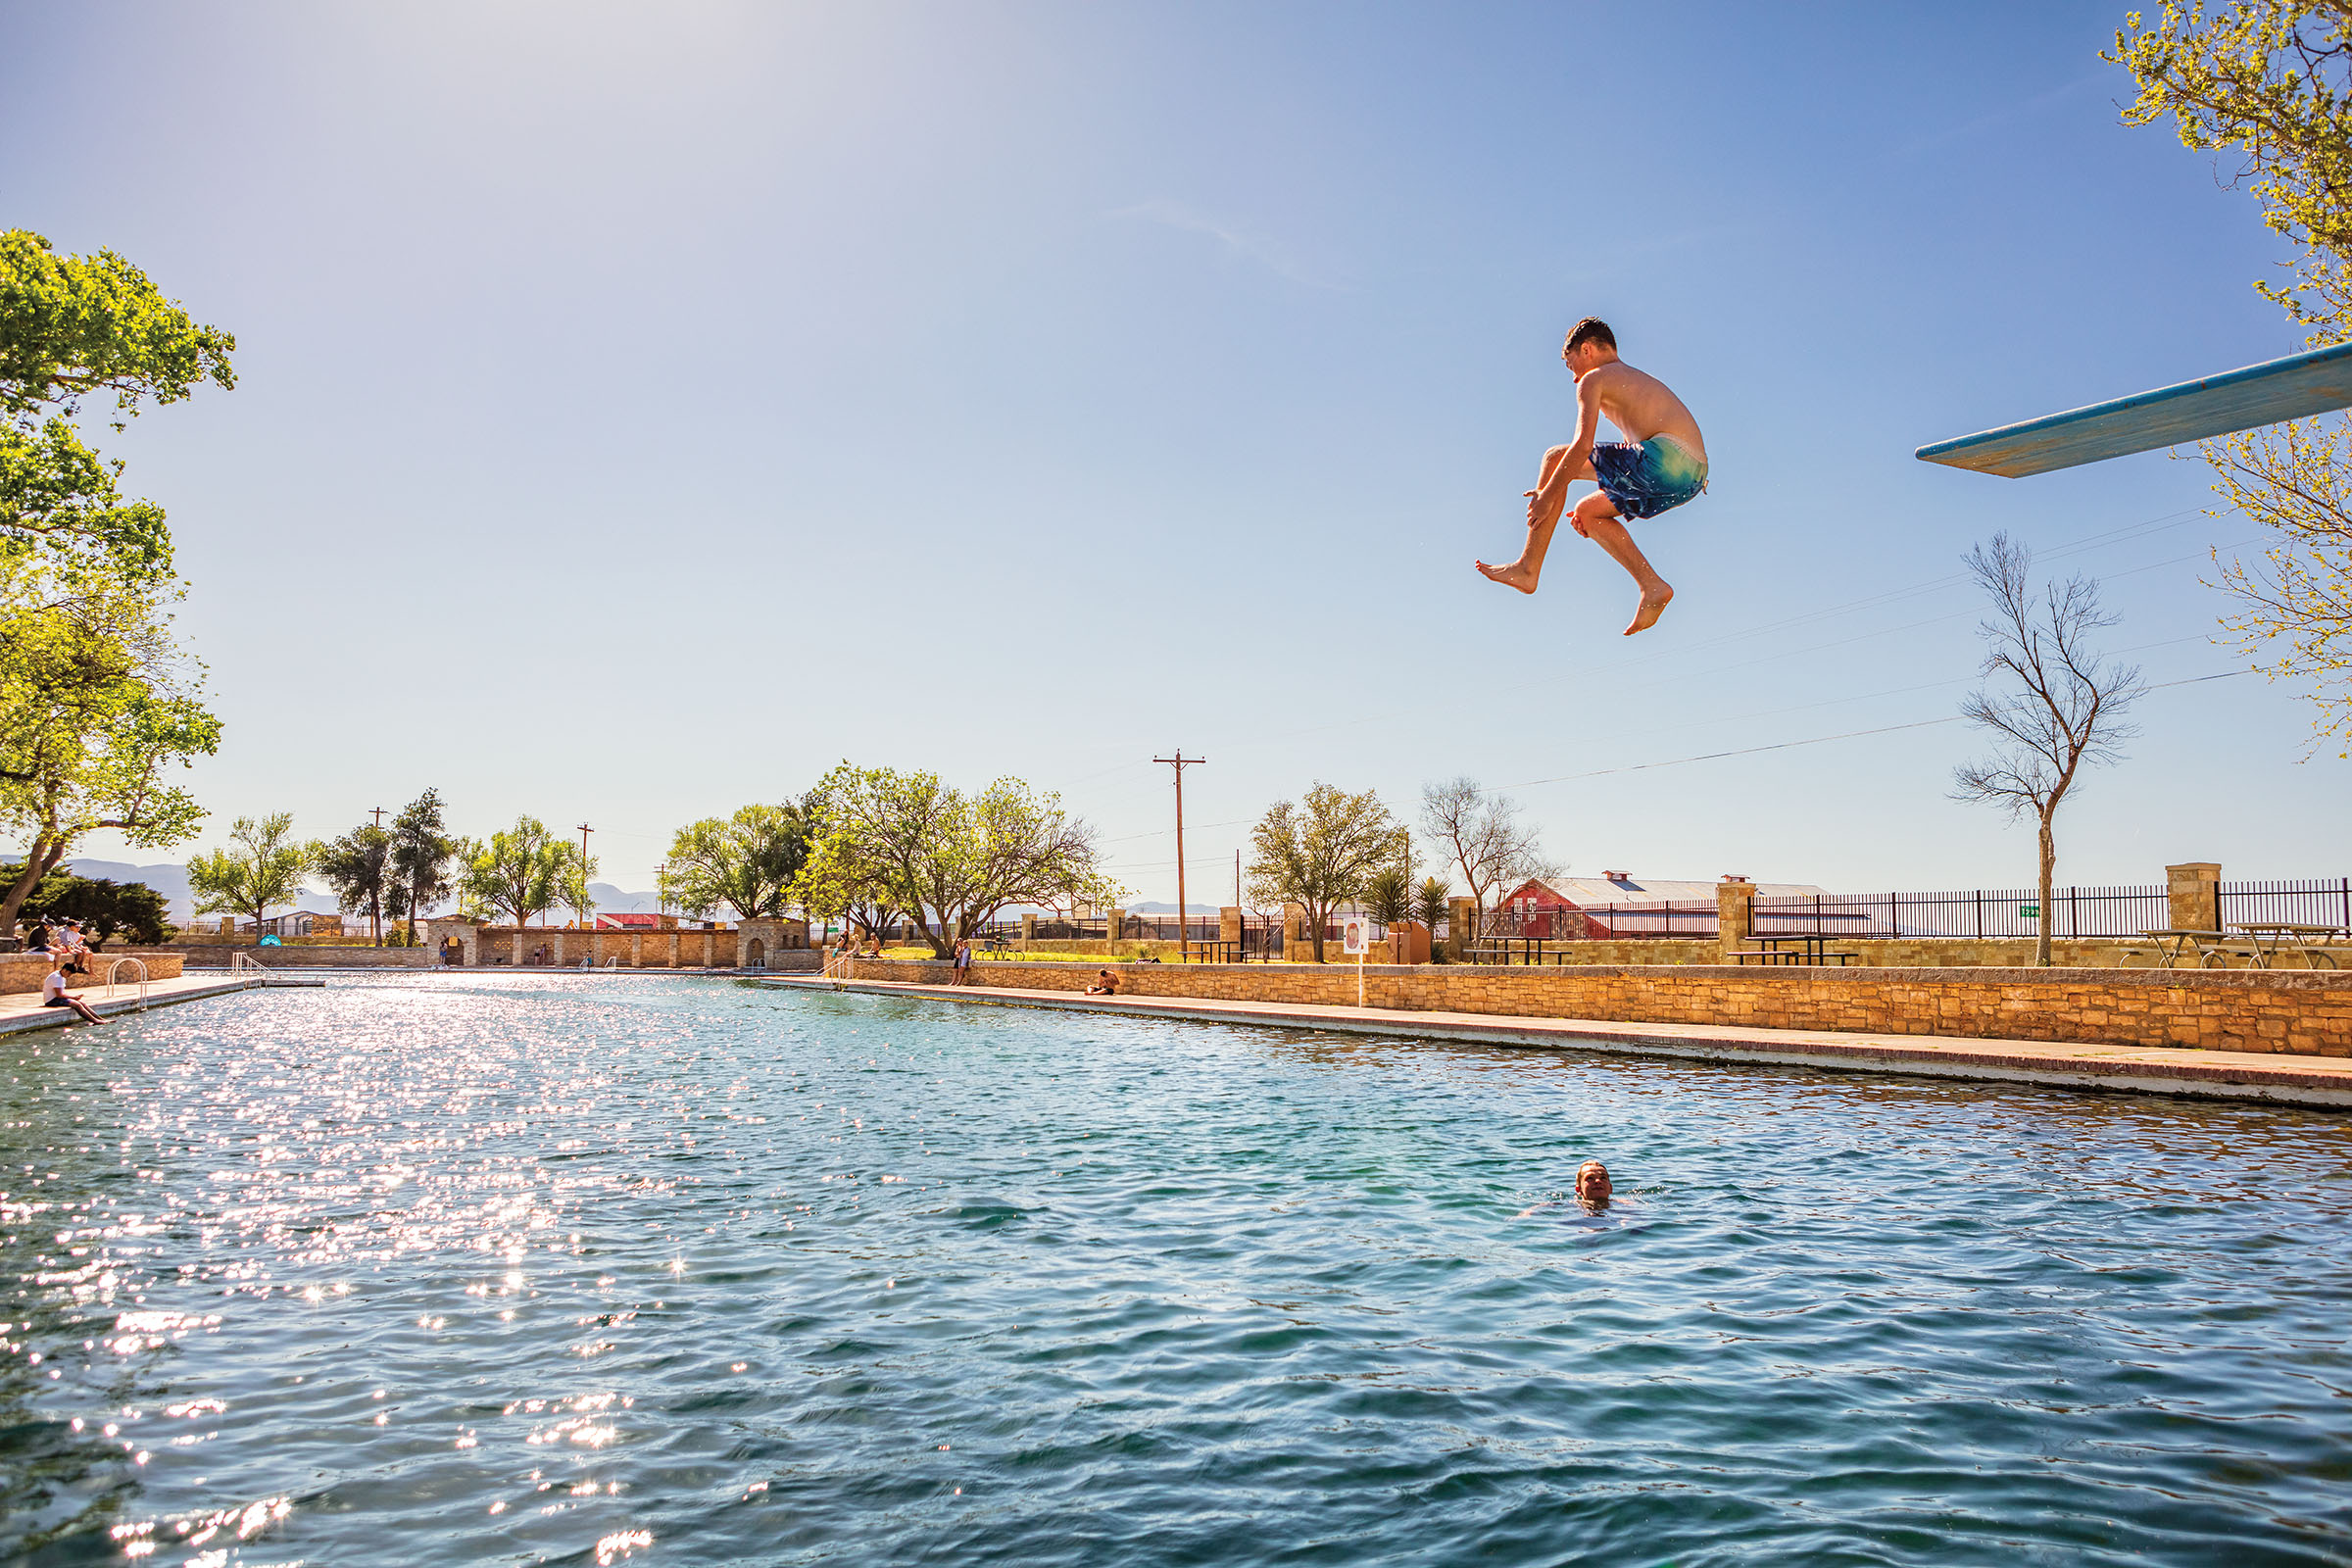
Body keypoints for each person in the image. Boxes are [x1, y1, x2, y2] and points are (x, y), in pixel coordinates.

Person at [1477, 318, 1707, 636]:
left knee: (1555, 458)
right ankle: (1652, 586)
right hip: (1691, 477)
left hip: (1669, 457)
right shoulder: (1633, 381)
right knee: (1588, 514)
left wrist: (1545, 499)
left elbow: (1581, 445)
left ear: (1586, 350)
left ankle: (1528, 567)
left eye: (1572, 366)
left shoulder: (1595, 378)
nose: (1574, 379)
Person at [38, 953, 106, 1026]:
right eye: (69, 974)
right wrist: (73, 998)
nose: (69, 976)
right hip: (51, 1001)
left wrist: (74, 998)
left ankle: (100, 1019)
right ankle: (95, 1021)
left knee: (83, 1004)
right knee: (77, 1005)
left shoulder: (60, 976)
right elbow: (59, 995)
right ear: (64, 970)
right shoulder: (57, 977)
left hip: (56, 999)